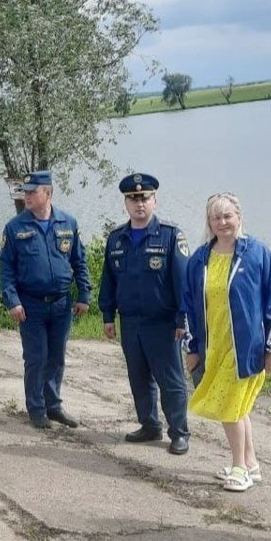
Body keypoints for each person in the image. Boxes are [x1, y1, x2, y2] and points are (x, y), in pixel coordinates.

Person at [183, 192, 271, 491]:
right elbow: (188, 305)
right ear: (209, 222)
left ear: (239, 217)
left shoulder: (257, 254)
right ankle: (251, 464)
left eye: (228, 216)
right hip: (213, 345)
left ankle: (239, 467)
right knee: (238, 408)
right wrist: (191, 347)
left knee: (230, 406)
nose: (222, 222)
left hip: (244, 348)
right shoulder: (199, 259)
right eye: (216, 217)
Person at [98, 173, 192, 455]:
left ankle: (179, 432)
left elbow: (183, 281)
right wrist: (106, 314)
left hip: (162, 324)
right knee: (138, 377)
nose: (139, 204)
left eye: (145, 198)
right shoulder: (117, 239)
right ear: (125, 203)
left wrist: (181, 318)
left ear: (155, 200)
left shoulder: (170, 235)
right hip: (130, 322)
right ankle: (150, 425)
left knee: (170, 380)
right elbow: (109, 280)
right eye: (133, 199)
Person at [0, 170, 91, 429]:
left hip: (62, 304)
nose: (26, 196)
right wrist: (12, 300)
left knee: (57, 357)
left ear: (48, 193)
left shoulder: (67, 223)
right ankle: (36, 408)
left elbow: (79, 261)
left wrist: (84, 294)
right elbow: (6, 269)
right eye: (25, 192)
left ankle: (54, 406)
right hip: (31, 305)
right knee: (36, 357)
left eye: (32, 192)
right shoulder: (15, 227)